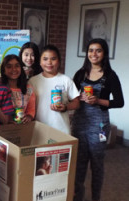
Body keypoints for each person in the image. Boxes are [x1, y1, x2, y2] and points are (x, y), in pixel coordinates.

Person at [72, 38, 124, 201]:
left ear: (104, 53)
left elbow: (119, 102)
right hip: (80, 123)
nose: (94, 54)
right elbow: (71, 96)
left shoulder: (110, 76)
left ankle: (96, 197)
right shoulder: (80, 74)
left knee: (97, 163)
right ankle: (77, 196)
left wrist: (98, 100)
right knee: (79, 164)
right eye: (91, 50)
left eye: (98, 50)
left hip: (99, 125)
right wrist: (77, 98)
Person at [29, 44, 80, 134]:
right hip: (39, 129)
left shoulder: (66, 80)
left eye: (53, 59)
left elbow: (77, 103)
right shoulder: (33, 81)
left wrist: (65, 107)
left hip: (61, 129)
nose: (49, 62)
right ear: (40, 62)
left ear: (59, 61)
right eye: (45, 59)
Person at [0, 54, 35, 124]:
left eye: (17, 66)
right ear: (3, 70)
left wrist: (29, 117)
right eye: (9, 66)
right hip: (2, 128)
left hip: (22, 128)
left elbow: (31, 109)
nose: (14, 69)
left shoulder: (29, 89)